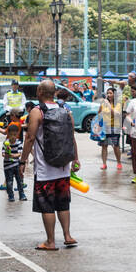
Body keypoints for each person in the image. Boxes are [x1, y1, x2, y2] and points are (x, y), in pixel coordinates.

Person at [19, 80, 79, 251]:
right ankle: (67, 236)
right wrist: (75, 159)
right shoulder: (65, 110)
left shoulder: (37, 112)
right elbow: (71, 137)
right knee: (63, 203)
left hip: (45, 169)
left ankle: (50, 241)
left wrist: (22, 161)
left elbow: (30, 138)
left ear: (39, 91)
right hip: (63, 167)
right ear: (54, 93)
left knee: (47, 204)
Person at [97, 86, 123, 171]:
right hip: (105, 127)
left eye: (110, 93)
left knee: (115, 146)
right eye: (107, 93)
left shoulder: (118, 104)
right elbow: (99, 113)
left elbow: (116, 114)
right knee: (104, 146)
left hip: (114, 127)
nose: (108, 95)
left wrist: (108, 105)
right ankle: (104, 164)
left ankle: (119, 162)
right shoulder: (104, 103)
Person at [1, 122, 27, 202]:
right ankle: (11, 195)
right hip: (8, 166)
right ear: (8, 134)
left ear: (17, 134)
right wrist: (7, 152)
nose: (13, 137)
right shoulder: (5, 143)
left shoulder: (19, 143)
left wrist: (11, 155)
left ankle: (21, 194)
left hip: (16, 165)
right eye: (11, 135)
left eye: (15, 135)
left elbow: (19, 154)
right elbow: (3, 154)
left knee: (19, 181)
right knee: (9, 182)